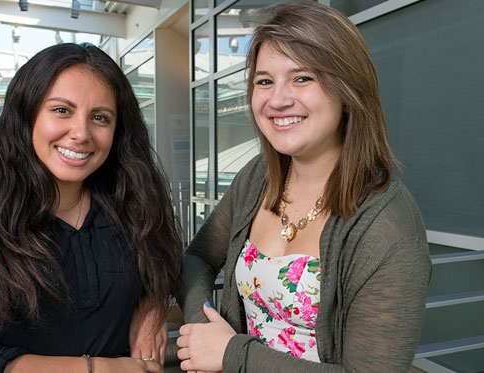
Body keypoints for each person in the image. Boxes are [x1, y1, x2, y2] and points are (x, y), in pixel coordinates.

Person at [177, 2, 431, 372]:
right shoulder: (257, 177)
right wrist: (203, 331)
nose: (277, 99)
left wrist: (233, 354)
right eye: (264, 81)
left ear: (349, 88)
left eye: (302, 78)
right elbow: (197, 258)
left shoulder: (388, 227)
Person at [0, 43, 182, 372]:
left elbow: (168, 263)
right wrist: (98, 369)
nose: (81, 133)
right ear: (27, 113)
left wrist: (153, 304)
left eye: (100, 118)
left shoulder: (131, 208)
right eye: (62, 110)